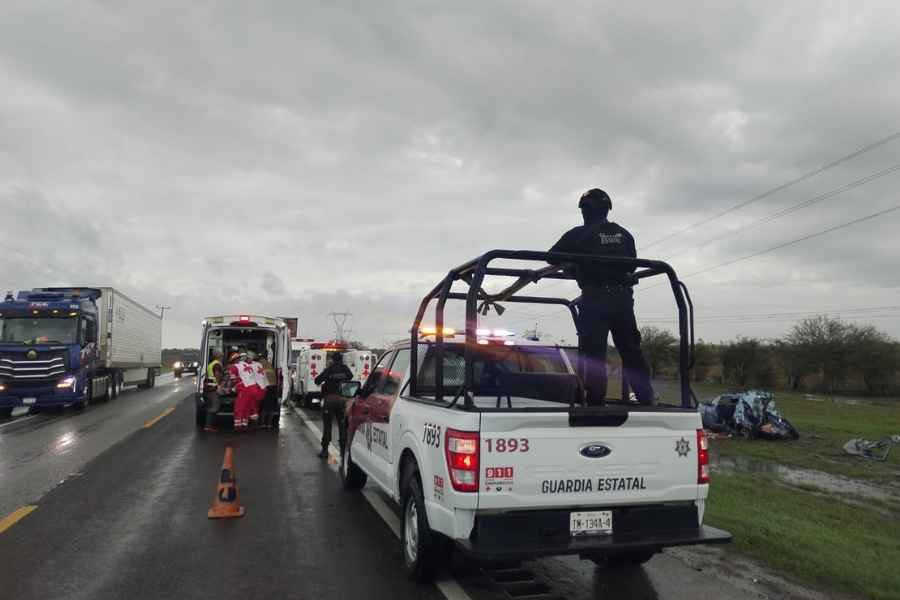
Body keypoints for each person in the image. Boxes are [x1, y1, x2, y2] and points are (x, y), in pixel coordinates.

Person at [549, 188, 655, 405]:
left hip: (595, 299)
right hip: (623, 301)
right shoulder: (625, 235)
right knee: (631, 352)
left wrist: (572, 266)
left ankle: (596, 403)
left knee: (594, 355)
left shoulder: (577, 235)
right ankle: (646, 399)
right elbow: (631, 266)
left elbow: (551, 257)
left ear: (584, 210)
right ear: (607, 209)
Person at [314, 352, 353, 458]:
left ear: (332, 360)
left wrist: (329, 378)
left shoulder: (329, 369)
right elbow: (351, 376)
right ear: (341, 360)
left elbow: (317, 380)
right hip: (342, 400)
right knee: (342, 425)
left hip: (329, 400)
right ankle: (343, 450)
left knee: (327, 426)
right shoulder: (345, 369)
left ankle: (325, 450)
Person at [203, 349, 224, 432]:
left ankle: (209, 425)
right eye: (221, 355)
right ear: (218, 356)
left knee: (211, 407)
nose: (222, 356)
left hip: (209, 388)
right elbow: (217, 375)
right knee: (214, 407)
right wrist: (219, 386)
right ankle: (208, 426)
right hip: (213, 388)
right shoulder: (217, 364)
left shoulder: (210, 364)